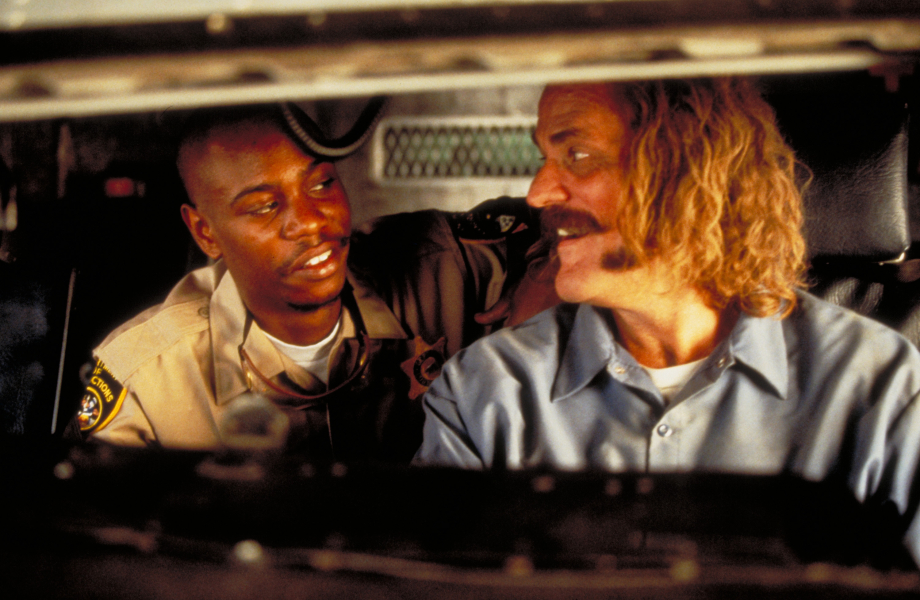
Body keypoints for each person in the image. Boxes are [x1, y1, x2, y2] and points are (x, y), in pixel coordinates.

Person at [413, 78, 920, 564]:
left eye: (577, 156)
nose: (538, 192)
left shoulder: (878, 386)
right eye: (544, 159)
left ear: (685, 171)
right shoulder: (483, 391)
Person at [74, 104, 557, 461]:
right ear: (206, 233)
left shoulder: (442, 263)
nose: (310, 222)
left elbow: (578, 208)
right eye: (265, 206)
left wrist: (545, 265)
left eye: (322, 184)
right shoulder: (146, 379)